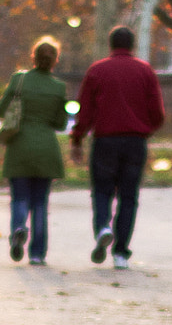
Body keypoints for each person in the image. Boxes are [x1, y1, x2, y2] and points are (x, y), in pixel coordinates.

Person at [69, 25, 166, 269]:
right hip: (135, 141)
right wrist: (146, 129)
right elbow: (157, 112)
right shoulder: (145, 71)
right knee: (129, 196)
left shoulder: (97, 70)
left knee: (102, 191)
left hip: (105, 141)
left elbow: (85, 110)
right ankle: (121, 252)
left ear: (111, 44)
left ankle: (103, 227)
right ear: (132, 45)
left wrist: (78, 138)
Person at [0, 37, 69, 264]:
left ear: (33, 57)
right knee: (40, 203)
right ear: (55, 60)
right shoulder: (59, 87)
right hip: (47, 149)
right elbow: (60, 123)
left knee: (19, 197)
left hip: (19, 146)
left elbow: (1, 110)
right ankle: (37, 254)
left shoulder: (19, 80)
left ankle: (18, 229)